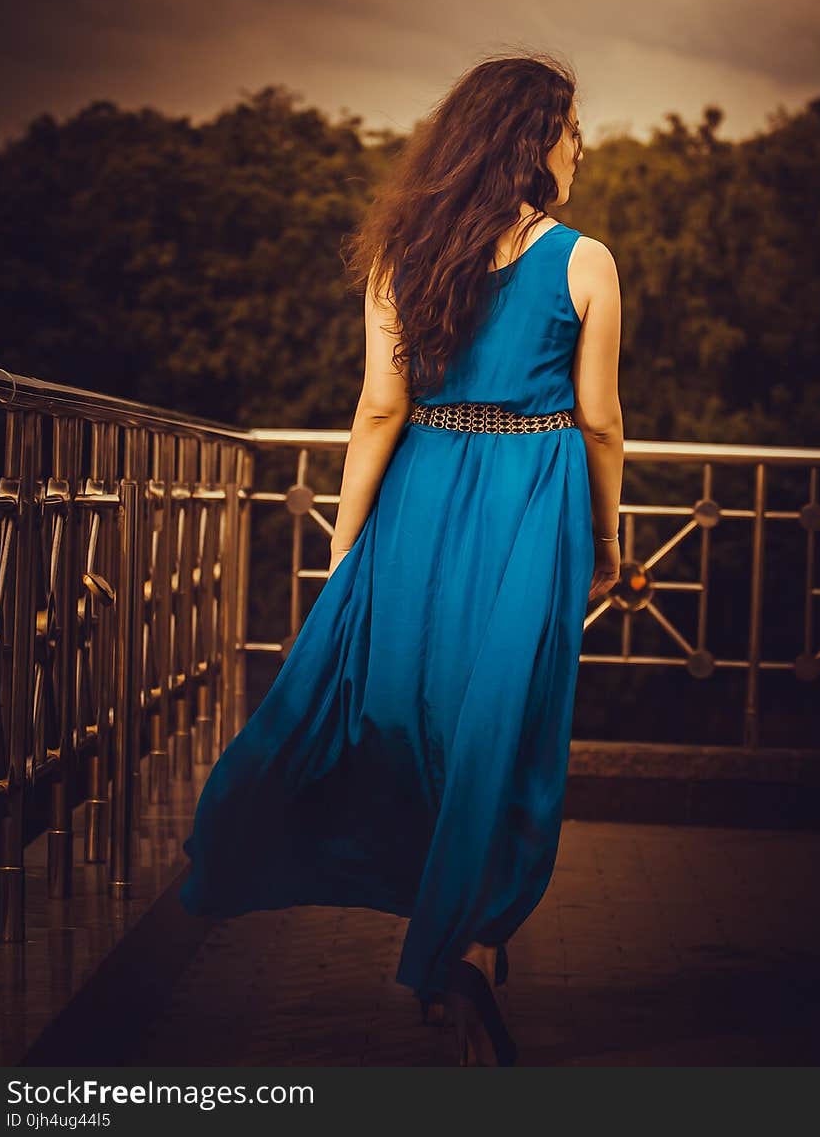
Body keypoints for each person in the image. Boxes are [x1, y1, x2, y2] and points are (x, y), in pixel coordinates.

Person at [180, 52, 624, 1067]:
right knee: (500, 732)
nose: (579, 146)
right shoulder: (584, 259)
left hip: (420, 496)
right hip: (530, 506)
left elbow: (379, 408)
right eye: (569, 129)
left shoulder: (400, 254)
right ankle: (465, 941)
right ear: (528, 142)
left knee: (419, 719)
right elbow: (599, 422)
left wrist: (349, 547)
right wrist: (605, 540)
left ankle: (441, 939)